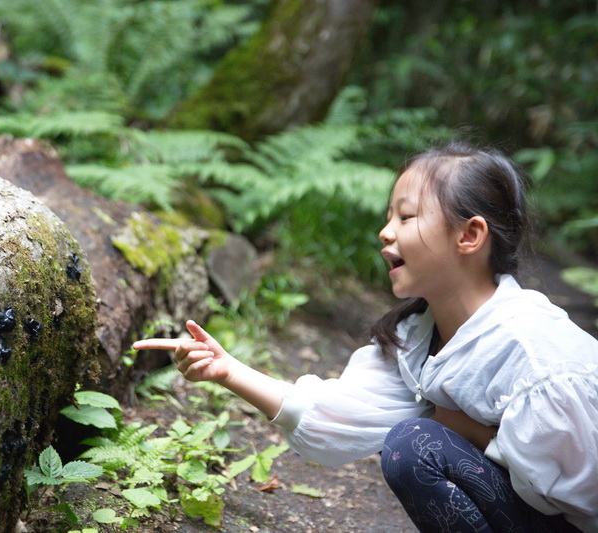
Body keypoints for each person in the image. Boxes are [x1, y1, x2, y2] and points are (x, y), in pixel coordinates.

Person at [133, 142, 598, 532]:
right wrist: (228, 370)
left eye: (407, 217)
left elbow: (585, 496)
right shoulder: (417, 334)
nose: (385, 231)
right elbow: (339, 418)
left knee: (416, 442)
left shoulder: (535, 353)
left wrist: (468, 429)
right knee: (411, 445)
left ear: (470, 235)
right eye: (388, 216)